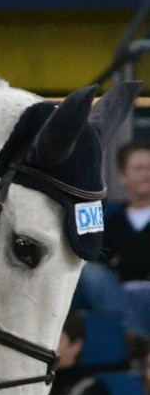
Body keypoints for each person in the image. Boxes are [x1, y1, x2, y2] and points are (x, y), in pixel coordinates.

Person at [74, 140, 150, 348]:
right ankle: (136, 340)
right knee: (89, 272)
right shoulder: (109, 220)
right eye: (138, 169)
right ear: (123, 177)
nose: (146, 175)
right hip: (117, 296)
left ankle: (137, 344)